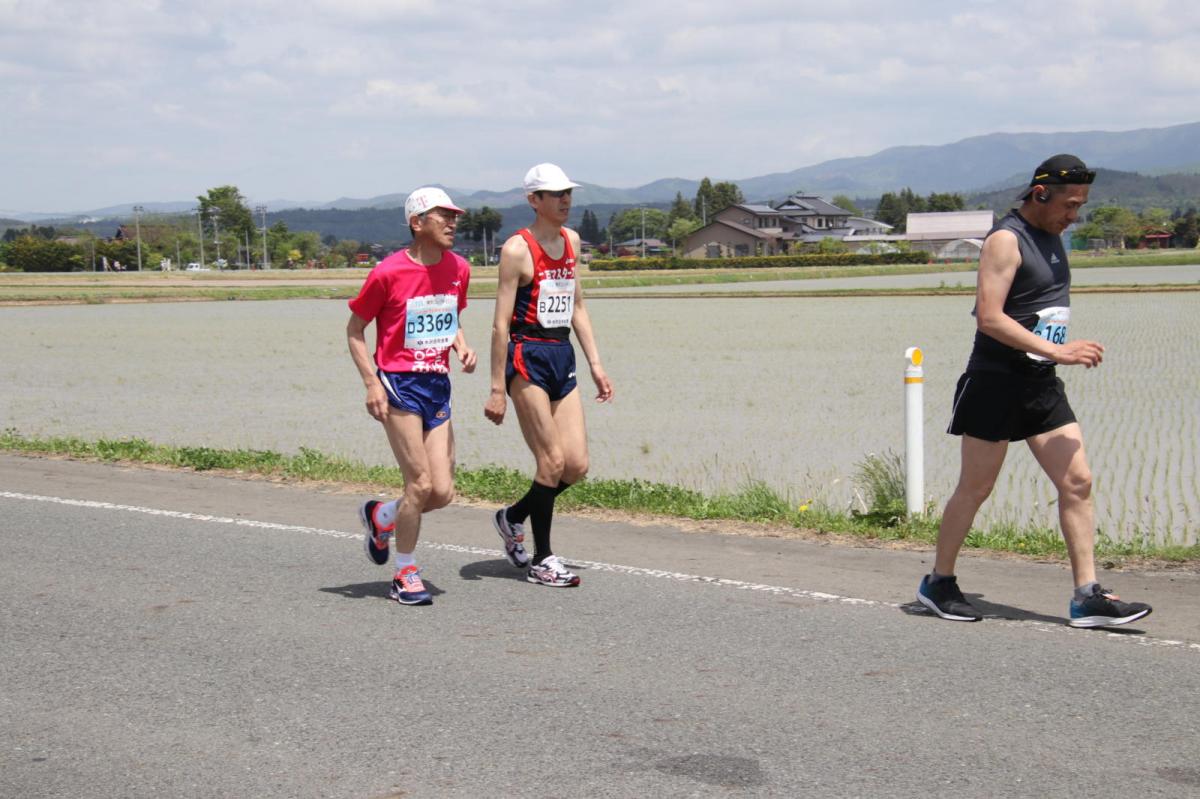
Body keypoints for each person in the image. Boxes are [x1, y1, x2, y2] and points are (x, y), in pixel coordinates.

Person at [916, 154, 1152, 628]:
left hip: (1041, 383)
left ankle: (1087, 596)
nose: (1074, 216)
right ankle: (938, 582)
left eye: (1080, 206)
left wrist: (1052, 355)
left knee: (1077, 481)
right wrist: (1060, 350)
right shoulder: (1006, 240)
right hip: (996, 382)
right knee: (977, 487)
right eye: (1069, 205)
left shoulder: (1052, 237)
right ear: (1040, 194)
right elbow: (990, 316)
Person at [484, 163, 613, 587]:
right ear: (533, 200)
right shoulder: (516, 250)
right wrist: (496, 389)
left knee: (575, 466)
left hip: (562, 354)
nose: (565, 201)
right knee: (551, 461)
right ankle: (543, 559)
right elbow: (500, 324)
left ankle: (513, 516)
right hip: (526, 356)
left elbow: (577, 306)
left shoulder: (572, 241)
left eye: (568, 193)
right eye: (555, 194)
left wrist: (595, 363)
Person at [346, 187, 476, 606]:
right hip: (399, 384)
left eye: (455, 216)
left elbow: (448, 315)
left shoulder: (459, 268)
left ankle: (381, 516)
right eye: (443, 216)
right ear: (417, 223)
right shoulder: (387, 272)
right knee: (418, 484)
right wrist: (371, 382)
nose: (452, 223)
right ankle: (405, 573)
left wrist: (460, 344)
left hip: (437, 384)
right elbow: (355, 331)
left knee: (441, 492)